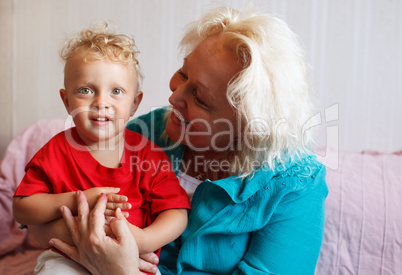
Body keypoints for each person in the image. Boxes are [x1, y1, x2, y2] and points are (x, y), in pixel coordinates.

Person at [30, 6, 328, 274]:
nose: (174, 96)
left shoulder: (297, 183)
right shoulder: (146, 133)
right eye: (183, 73)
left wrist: (119, 270)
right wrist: (87, 239)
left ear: (247, 127)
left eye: (199, 96)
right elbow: (50, 211)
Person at [12, 23, 191, 275]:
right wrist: (79, 200)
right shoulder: (56, 150)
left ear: (134, 104)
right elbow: (22, 208)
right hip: (68, 258)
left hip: (132, 260)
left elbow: (176, 213)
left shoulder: (148, 155)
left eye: (116, 91)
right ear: (66, 100)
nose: (101, 103)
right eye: (86, 90)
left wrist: (142, 240)